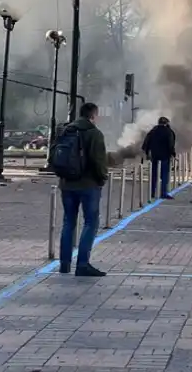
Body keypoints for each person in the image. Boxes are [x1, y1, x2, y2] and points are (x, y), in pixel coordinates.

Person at [55, 102, 108, 277]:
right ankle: (83, 264)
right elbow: (98, 161)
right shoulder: (94, 133)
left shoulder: (65, 130)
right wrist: (102, 178)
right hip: (88, 185)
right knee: (90, 222)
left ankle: (64, 264)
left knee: (68, 222)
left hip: (66, 183)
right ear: (93, 116)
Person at [142, 116, 177, 199]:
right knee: (164, 175)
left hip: (155, 156)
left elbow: (146, 142)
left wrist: (147, 152)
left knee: (154, 175)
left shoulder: (153, 131)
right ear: (166, 123)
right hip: (165, 157)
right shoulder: (169, 132)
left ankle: (153, 192)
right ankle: (163, 193)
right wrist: (173, 154)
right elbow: (171, 144)